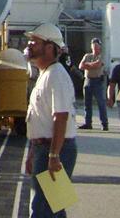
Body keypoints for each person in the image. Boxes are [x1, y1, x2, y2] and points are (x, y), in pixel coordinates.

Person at [23, 23, 77, 218]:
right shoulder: (45, 74)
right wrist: (32, 152)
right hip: (44, 148)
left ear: (50, 47)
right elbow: (40, 118)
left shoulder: (56, 76)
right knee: (54, 207)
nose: (29, 45)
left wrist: (54, 156)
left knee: (43, 209)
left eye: (35, 42)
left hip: (54, 149)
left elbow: (60, 118)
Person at [78, 37, 109, 131]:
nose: (95, 48)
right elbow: (81, 66)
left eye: (96, 46)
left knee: (101, 103)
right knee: (87, 104)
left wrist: (88, 65)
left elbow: (98, 65)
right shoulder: (87, 56)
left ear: (100, 47)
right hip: (87, 81)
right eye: (93, 46)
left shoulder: (102, 56)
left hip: (98, 81)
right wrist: (91, 65)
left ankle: (104, 124)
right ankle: (88, 123)